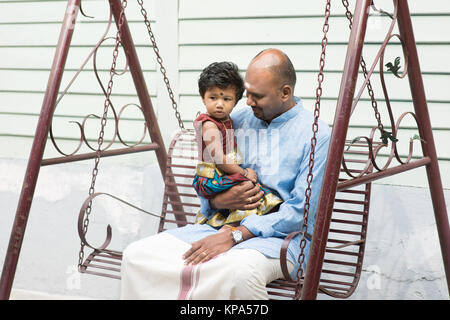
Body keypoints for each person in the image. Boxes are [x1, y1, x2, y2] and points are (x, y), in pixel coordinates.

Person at [120, 48, 331, 300]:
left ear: (285, 93)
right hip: (218, 225)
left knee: (239, 272)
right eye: (247, 93)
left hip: (281, 240)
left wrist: (235, 235)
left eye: (257, 96)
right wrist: (220, 201)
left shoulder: (316, 134)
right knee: (137, 255)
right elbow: (208, 177)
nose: (248, 102)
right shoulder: (235, 120)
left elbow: (300, 213)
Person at [192, 61, 283, 227]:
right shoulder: (210, 124)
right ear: (203, 97)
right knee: (249, 184)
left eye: (226, 99)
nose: (219, 104)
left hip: (223, 173)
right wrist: (244, 172)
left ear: (235, 101)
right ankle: (260, 212)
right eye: (213, 98)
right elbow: (219, 158)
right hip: (212, 177)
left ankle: (238, 218)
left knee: (247, 188)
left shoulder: (227, 120)